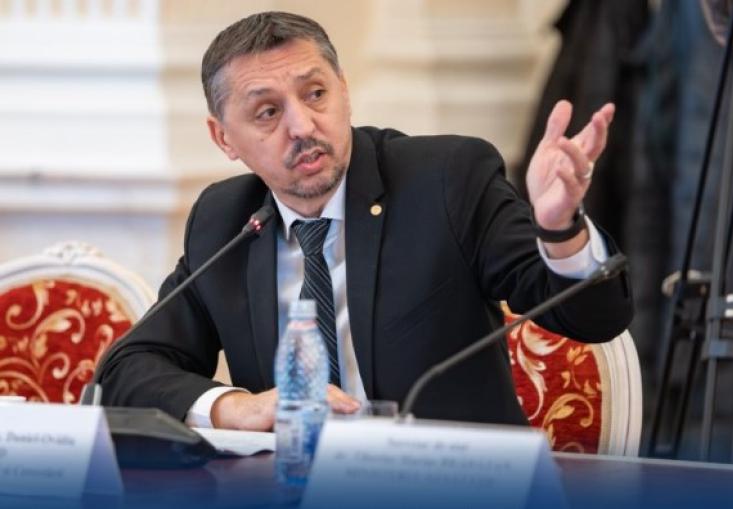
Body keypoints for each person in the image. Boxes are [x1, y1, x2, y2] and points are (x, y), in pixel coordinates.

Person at [99, 11, 633, 430]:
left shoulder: (447, 179)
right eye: (268, 112)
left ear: (345, 90)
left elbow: (595, 317)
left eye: (316, 94)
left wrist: (560, 230)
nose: (303, 125)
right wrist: (237, 408)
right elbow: (127, 369)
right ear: (224, 138)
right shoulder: (225, 221)